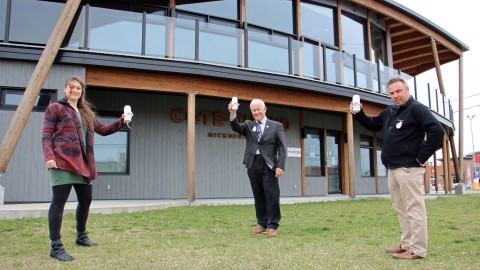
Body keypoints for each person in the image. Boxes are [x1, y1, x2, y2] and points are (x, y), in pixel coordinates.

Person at [349, 75, 444, 259]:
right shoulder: (391, 111)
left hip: (409, 168)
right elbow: (374, 125)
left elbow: (436, 131)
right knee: (401, 208)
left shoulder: (416, 109)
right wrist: (359, 113)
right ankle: (407, 244)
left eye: (398, 91)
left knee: (414, 208)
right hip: (393, 169)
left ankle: (417, 250)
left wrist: (422, 157)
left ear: (407, 90)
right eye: (391, 93)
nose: (395, 95)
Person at [42, 76, 127, 261]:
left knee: (86, 200)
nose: (74, 90)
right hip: (62, 162)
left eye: (78, 88)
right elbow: (46, 135)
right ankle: (55, 246)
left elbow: (104, 130)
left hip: (83, 164)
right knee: (59, 203)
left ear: (82, 92)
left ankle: (81, 236)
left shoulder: (86, 111)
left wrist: (122, 120)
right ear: (65, 89)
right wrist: (49, 157)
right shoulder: (55, 108)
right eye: (71, 87)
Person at [229, 99, 287, 237]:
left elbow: (282, 148)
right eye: (253, 110)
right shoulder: (249, 125)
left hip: (269, 165)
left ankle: (272, 226)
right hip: (253, 164)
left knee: (271, 195)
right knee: (258, 195)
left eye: (258, 109)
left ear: (264, 109)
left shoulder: (276, 126)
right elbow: (236, 127)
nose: (256, 112)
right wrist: (232, 114)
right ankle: (262, 223)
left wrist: (280, 165)